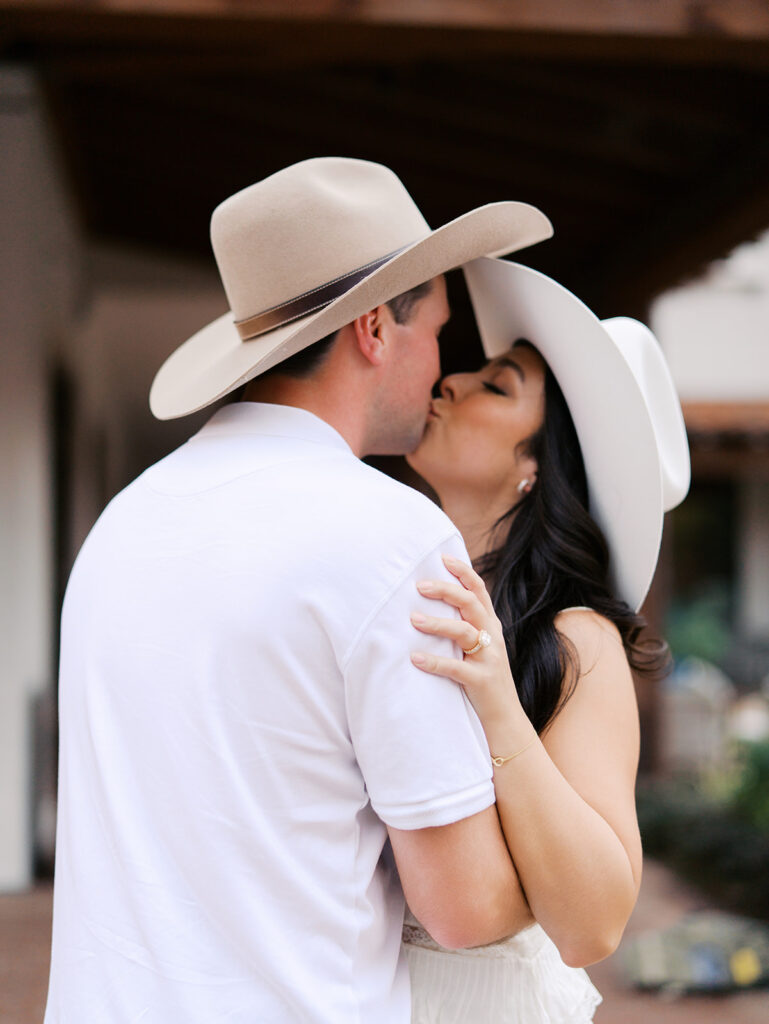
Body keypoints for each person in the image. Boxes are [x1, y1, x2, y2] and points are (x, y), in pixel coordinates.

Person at [43, 159, 555, 1023]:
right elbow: (463, 909)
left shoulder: (123, 524)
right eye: (432, 328)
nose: (439, 369)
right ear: (371, 331)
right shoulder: (391, 540)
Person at [400, 257, 691, 1023]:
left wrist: (497, 704)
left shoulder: (573, 639)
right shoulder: (396, 589)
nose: (452, 382)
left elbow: (593, 925)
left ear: (536, 465)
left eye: (495, 385)